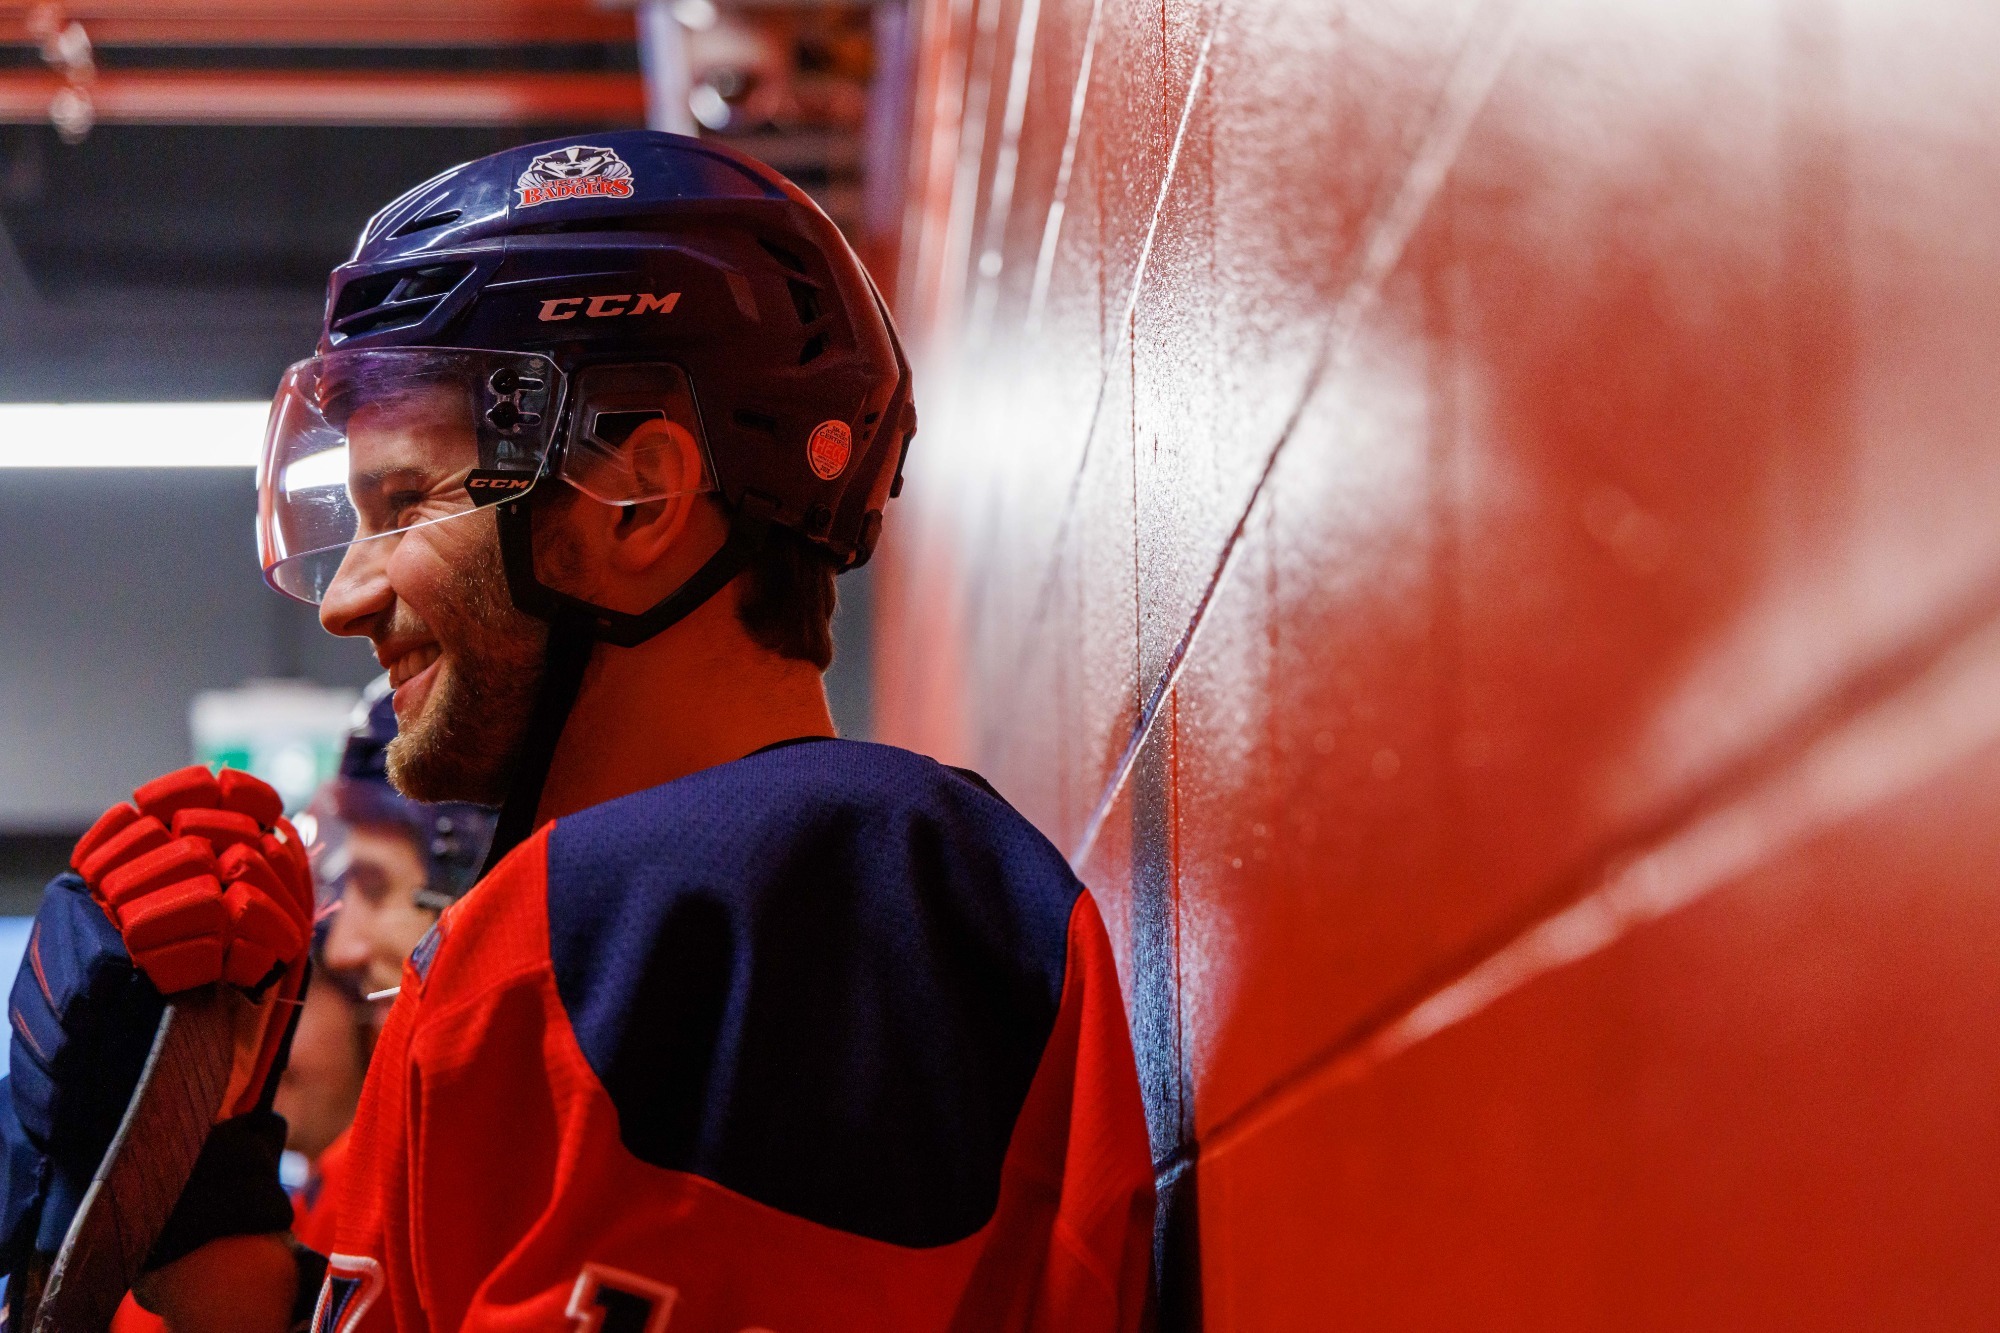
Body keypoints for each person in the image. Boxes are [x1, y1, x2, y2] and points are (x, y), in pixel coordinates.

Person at [3, 130, 1155, 1333]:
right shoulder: (638, 910)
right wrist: (193, 1233)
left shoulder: (750, 886)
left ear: (638, 501)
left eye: (406, 503)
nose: (345, 597)